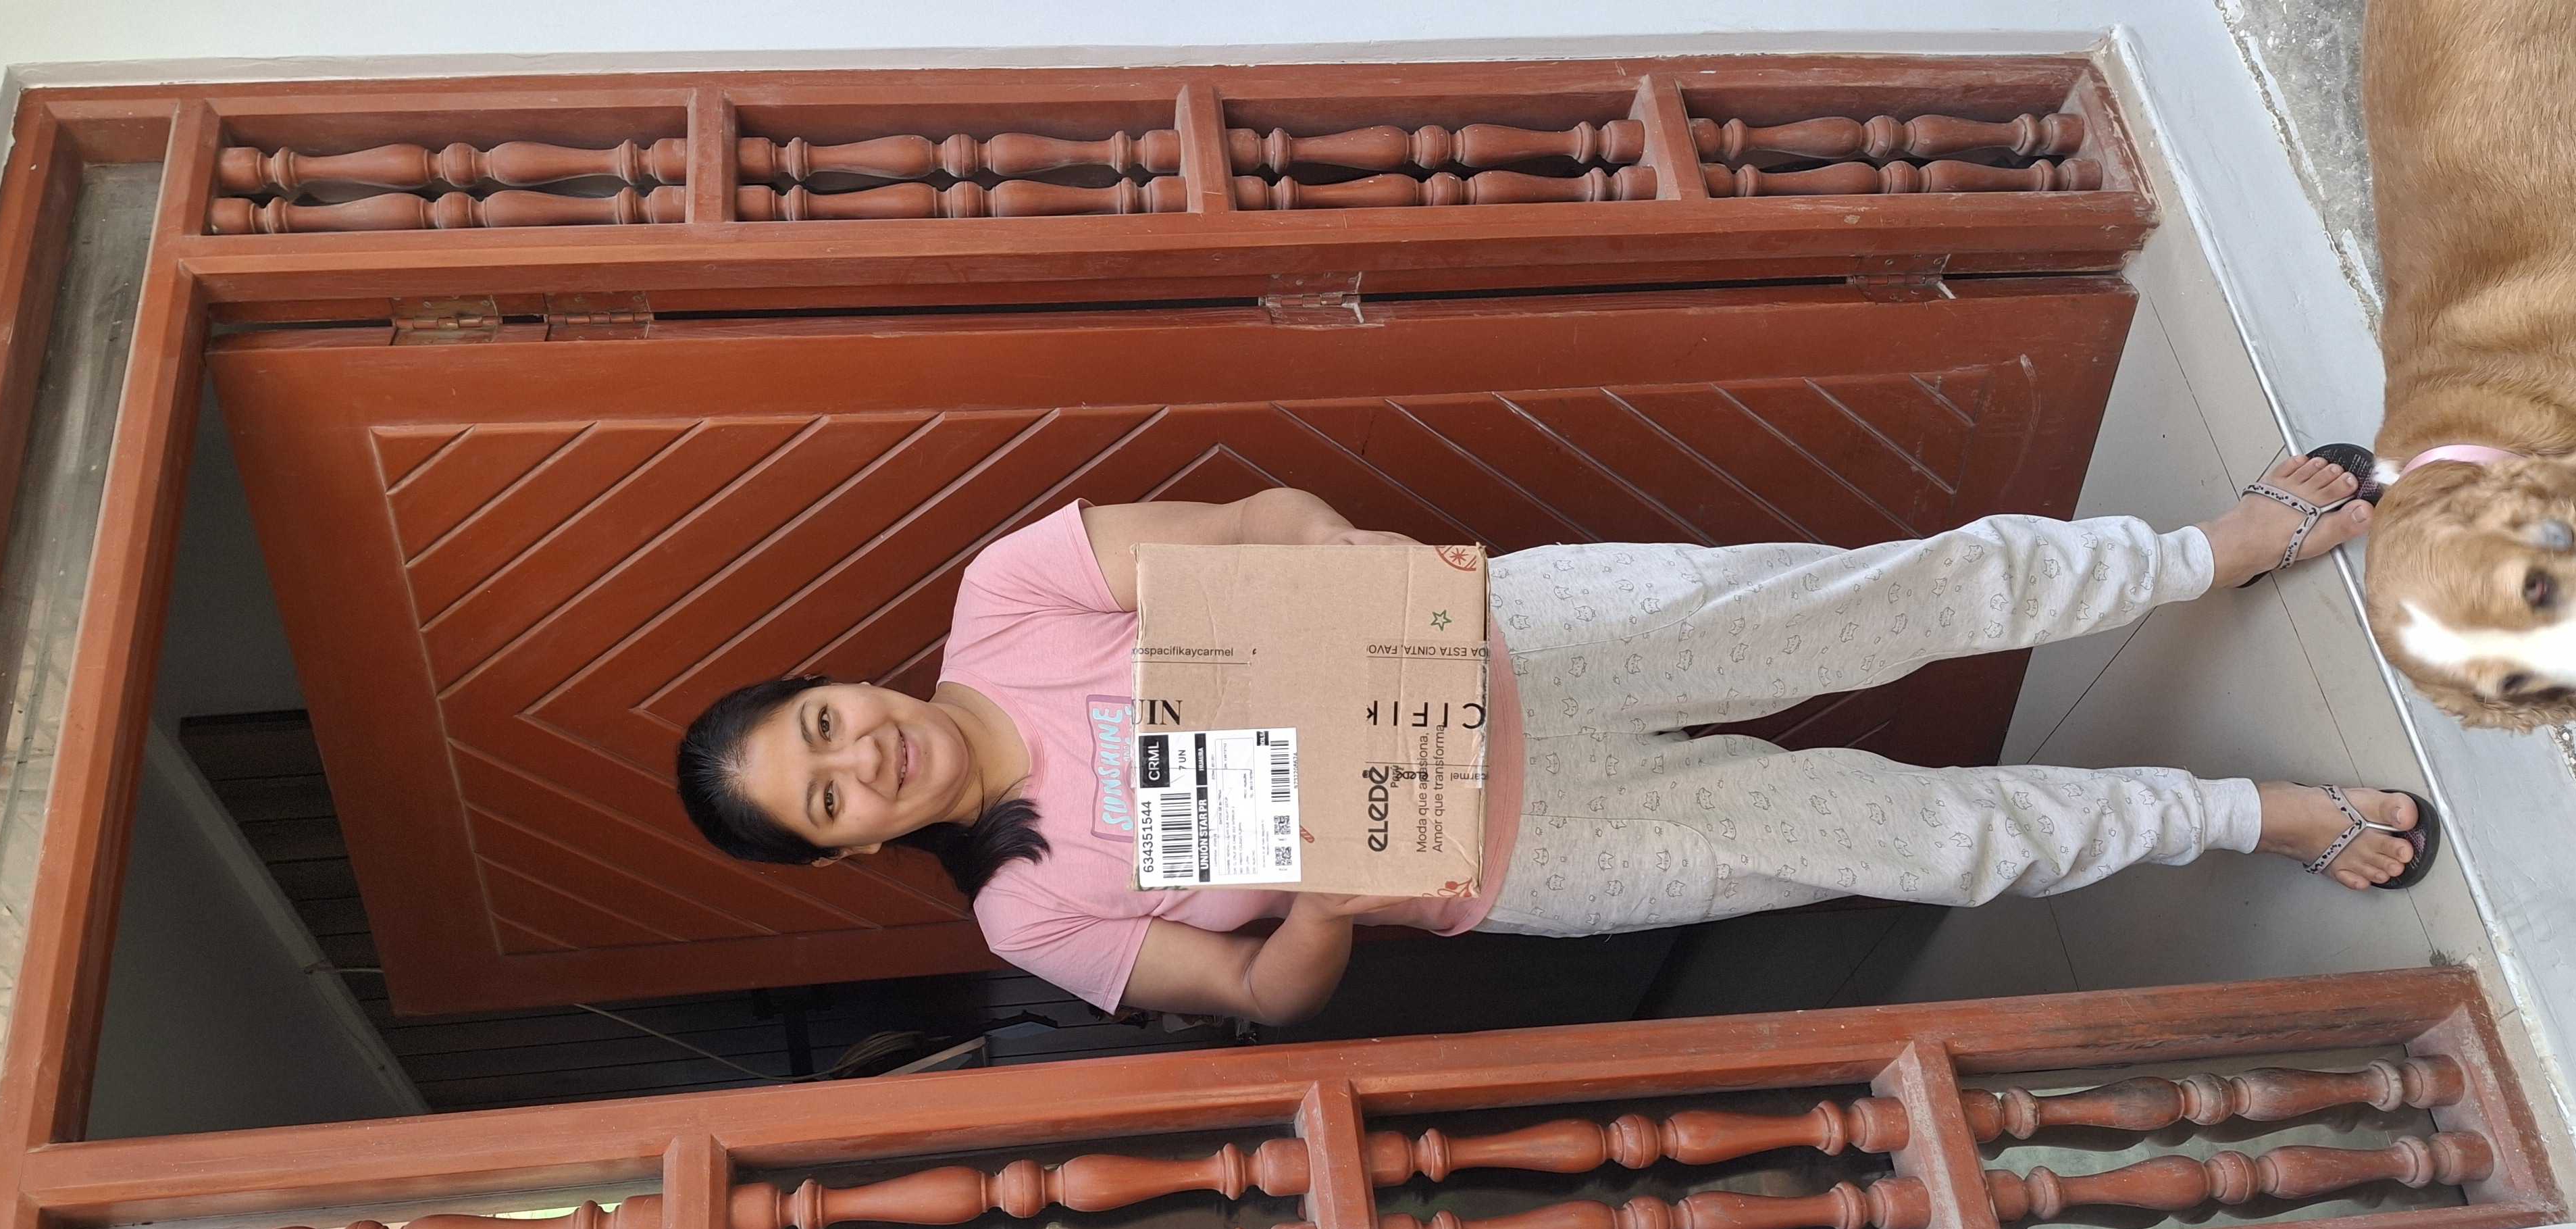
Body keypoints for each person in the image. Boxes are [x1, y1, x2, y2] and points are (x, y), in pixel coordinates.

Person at [678, 458, 2432, 1024]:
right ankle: (2252, 816)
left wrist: (1362, 592)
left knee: (1882, 599)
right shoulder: (1026, 915)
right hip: (1530, 854)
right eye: (825, 798)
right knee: (1911, 841)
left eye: (822, 724)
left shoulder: (1010, 593)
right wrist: (1327, 894)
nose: (861, 758)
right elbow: (1265, 996)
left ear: (841, 684)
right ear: (851, 846)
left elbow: (1270, 522)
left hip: (1520, 638)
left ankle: (2205, 552)